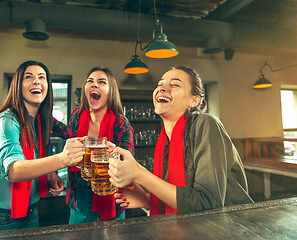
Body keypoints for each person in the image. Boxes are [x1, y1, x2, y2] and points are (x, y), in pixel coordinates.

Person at [108, 66, 253, 215]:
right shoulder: (164, 140)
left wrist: (140, 174)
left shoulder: (206, 124)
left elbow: (208, 204)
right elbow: (184, 201)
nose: (162, 89)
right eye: (160, 84)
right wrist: (147, 200)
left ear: (194, 100)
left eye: (174, 84)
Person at [0, 61, 84, 233]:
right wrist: (62, 160)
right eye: (28, 77)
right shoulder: (7, 120)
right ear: (18, 85)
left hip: (30, 212)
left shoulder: (42, 120)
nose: (36, 82)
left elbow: (69, 135)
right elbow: (14, 171)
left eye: (42, 77)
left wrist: (50, 174)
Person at [66, 66, 134, 224]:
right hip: (78, 200)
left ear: (111, 92)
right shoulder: (76, 115)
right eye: (90, 81)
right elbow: (67, 147)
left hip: (110, 200)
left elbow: (127, 168)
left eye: (101, 82)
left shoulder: (121, 124)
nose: (94, 84)